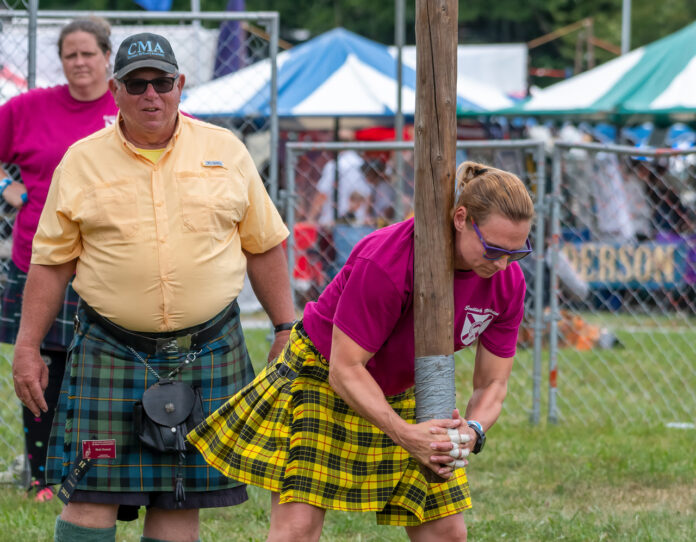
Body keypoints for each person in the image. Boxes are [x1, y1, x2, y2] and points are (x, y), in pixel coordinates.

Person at [11, 32, 294, 542]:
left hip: (207, 348)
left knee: (178, 499)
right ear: (115, 90)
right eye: (137, 83)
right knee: (90, 495)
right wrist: (28, 346)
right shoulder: (81, 160)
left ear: (180, 84)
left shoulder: (224, 151)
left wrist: (284, 327)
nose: (151, 95)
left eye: (161, 82)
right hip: (111, 350)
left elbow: (264, 244)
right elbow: (51, 263)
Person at [189, 161, 535, 541]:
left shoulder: (507, 282)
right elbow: (345, 369)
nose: (503, 264)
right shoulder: (387, 261)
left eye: (516, 253)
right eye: (493, 249)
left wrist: (473, 430)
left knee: (446, 532)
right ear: (460, 218)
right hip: (322, 378)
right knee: (297, 528)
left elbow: (493, 384)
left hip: (402, 390)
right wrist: (405, 434)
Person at [0, 16, 118, 502]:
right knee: (42, 367)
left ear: (107, 56)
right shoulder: (28, 108)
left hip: (109, 263)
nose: (80, 63)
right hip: (41, 259)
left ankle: (96, 470)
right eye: (70, 54)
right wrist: (7, 187)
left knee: (102, 371)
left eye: (88, 53)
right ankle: (43, 476)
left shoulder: (132, 102)